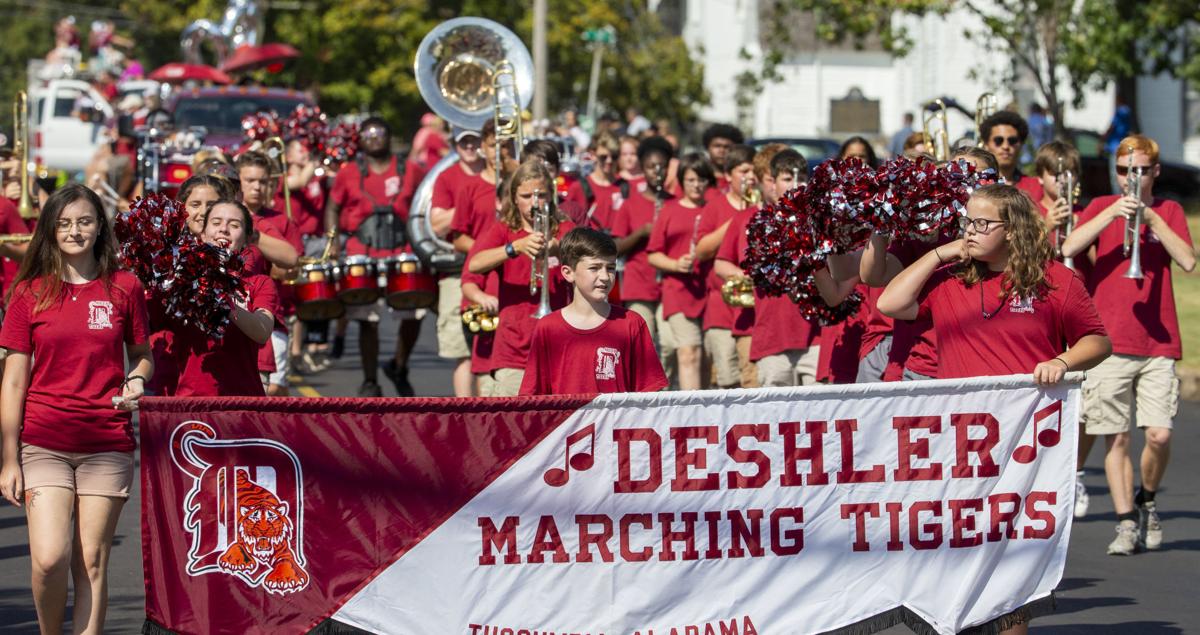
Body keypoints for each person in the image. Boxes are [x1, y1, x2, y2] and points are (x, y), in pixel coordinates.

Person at [878, 182, 1111, 635]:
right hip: (959, 444)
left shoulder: (1055, 281)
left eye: (983, 223)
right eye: (968, 221)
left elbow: (1098, 340)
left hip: (1024, 445)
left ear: (1013, 230)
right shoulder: (948, 281)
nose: (971, 230)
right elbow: (890, 302)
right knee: (953, 557)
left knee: (1009, 566)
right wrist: (941, 254)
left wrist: (1062, 361)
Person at [0, 184, 153, 635]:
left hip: (107, 441)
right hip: (43, 441)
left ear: (99, 227)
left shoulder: (125, 287)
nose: (74, 231)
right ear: (50, 230)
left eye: (84, 221)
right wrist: (8, 457)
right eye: (64, 223)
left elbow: (143, 353)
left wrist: (138, 378)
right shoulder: (28, 292)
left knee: (91, 560)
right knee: (49, 560)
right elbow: (12, 380)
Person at [1060, 134, 1196, 555]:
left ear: (1154, 171)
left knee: (1157, 434)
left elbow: (1189, 262)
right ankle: (1124, 524)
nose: (1130, 179)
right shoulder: (1102, 207)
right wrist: (1109, 216)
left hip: (1158, 342)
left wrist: (1152, 221)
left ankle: (1147, 499)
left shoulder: (1169, 210)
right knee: (1114, 436)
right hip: (1110, 342)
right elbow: (1068, 247)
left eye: (1138, 171)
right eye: (1123, 171)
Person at [324, 117, 422, 397]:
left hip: (402, 250)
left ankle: (399, 365)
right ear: (360, 140)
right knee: (367, 317)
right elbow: (333, 207)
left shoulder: (411, 170)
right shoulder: (348, 173)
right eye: (367, 133)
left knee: (413, 312)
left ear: (390, 137)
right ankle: (370, 380)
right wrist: (333, 243)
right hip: (361, 251)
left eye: (380, 132)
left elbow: (426, 203)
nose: (374, 137)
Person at [466, 160, 576, 396]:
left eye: (541, 195)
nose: (534, 203)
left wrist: (556, 247)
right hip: (513, 348)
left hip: (560, 345)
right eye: (526, 196)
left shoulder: (565, 226)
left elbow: (585, 255)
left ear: (552, 196)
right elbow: (474, 264)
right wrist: (514, 247)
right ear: (514, 198)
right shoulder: (503, 230)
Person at [520, 227, 667, 395]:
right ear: (568, 273)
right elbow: (532, 398)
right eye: (594, 268)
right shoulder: (548, 327)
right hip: (568, 422)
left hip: (618, 422)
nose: (605, 276)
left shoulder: (632, 323)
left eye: (610, 268)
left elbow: (650, 395)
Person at [172, 200, 279, 397]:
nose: (224, 229)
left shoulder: (259, 283)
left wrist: (224, 300)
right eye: (216, 222)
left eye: (234, 225)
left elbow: (262, 332)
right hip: (190, 402)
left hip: (243, 402)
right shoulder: (179, 280)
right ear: (202, 234)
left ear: (247, 239)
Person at [611, 136, 678, 388]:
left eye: (661, 166)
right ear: (642, 168)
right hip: (640, 284)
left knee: (671, 344)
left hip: (670, 286)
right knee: (643, 347)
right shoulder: (631, 203)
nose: (656, 172)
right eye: (651, 167)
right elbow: (614, 247)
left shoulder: (674, 202)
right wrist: (641, 233)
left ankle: (668, 388)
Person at [235, 151, 301, 397]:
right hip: (232, 313)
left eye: (262, 181)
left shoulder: (280, 222)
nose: (257, 187)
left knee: (273, 390)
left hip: (271, 316)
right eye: (250, 180)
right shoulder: (224, 216)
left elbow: (288, 267)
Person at [647, 153, 714, 391]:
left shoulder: (712, 209)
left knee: (707, 357)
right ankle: (692, 415)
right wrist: (675, 265)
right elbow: (653, 253)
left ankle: (707, 416)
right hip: (677, 289)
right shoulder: (669, 209)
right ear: (682, 182)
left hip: (708, 290)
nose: (697, 185)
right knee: (688, 351)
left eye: (702, 180)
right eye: (691, 180)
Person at [692, 145, 757, 389]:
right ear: (729, 175)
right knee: (727, 381)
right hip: (721, 307)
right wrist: (738, 219)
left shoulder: (762, 209)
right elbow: (702, 250)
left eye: (754, 172)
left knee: (751, 381)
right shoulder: (715, 207)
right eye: (744, 171)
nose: (750, 177)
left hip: (752, 312)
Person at [430, 128, 484, 397]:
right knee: (462, 353)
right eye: (465, 141)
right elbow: (437, 224)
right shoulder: (446, 177)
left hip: (495, 269)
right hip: (456, 268)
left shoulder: (496, 174)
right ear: (455, 144)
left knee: (490, 350)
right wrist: (471, 200)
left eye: (475, 140)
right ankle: (467, 416)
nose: (471, 146)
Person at [564, 133, 626, 231]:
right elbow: (566, 224)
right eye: (603, 157)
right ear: (593, 155)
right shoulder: (578, 187)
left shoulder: (625, 187)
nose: (609, 161)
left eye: (614, 156)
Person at [981, 110, 1043, 200]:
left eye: (1012, 141)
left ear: (1021, 144)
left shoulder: (1036, 187)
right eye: (998, 140)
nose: (1006, 146)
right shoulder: (976, 186)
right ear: (986, 145)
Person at [701, 123, 744, 192]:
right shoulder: (699, 177)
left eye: (727, 147)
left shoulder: (742, 178)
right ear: (707, 148)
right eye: (717, 146)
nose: (721, 151)